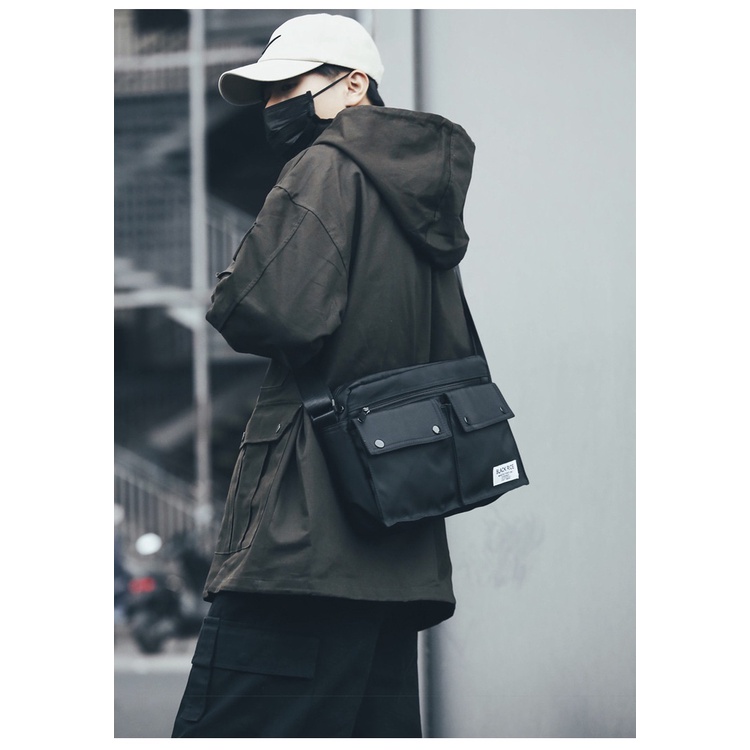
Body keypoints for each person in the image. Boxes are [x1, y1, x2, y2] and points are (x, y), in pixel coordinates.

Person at [172, 13, 477, 738]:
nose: (275, 105)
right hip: (395, 534)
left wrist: (235, 276)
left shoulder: (327, 168)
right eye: (268, 93)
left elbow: (265, 309)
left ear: (353, 84)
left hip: (305, 531)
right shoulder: (422, 198)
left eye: (289, 86)